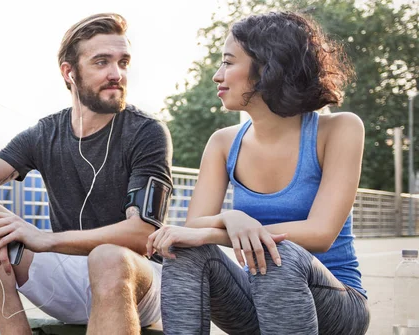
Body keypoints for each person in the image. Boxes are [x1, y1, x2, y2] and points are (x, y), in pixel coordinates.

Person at [0, 13, 173, 335]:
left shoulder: (146, 132)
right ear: (70, 72)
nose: (116, 74)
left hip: (136, 280)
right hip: (68, 277)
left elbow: (142, 234)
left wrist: (46, 240)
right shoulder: (45, 133)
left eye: (123, 62)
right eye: (101, 62)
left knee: (108, 258)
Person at [147, 11, 370, 334]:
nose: (217, 75)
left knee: (277, 255)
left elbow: (321, 233)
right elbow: (194, 225)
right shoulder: (223, 143)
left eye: (228, 62)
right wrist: (232, 219)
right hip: (257, 301)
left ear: (267, 67)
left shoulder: (338, 129)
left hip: (335, 307)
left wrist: (216, 231)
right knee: (186, 251)